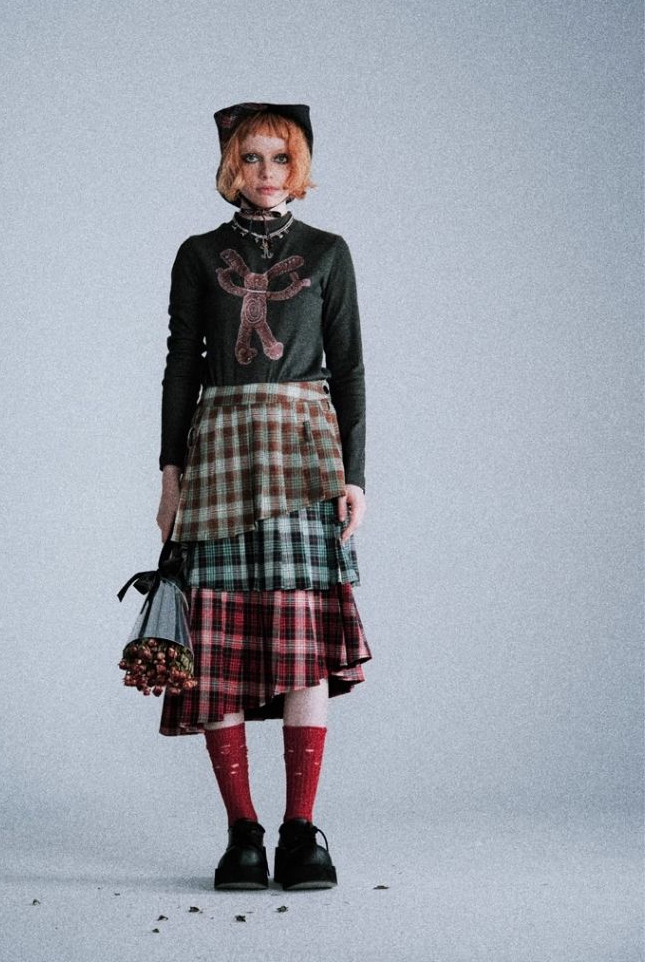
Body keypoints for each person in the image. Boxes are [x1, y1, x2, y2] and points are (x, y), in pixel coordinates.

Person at [156, 102, 371, 892]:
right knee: (214, 643)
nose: (267, 173)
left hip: (305, 452)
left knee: (301, 639)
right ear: (230, 166)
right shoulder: (197, 253)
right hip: (218, 448)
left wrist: (354, 475)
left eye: (282, 158)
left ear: (300, 166)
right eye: (251, 157)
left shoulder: (328, 252)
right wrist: (170, 472)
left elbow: (348, 365)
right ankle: (242, 833)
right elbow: (182, 362)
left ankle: (299, 831)